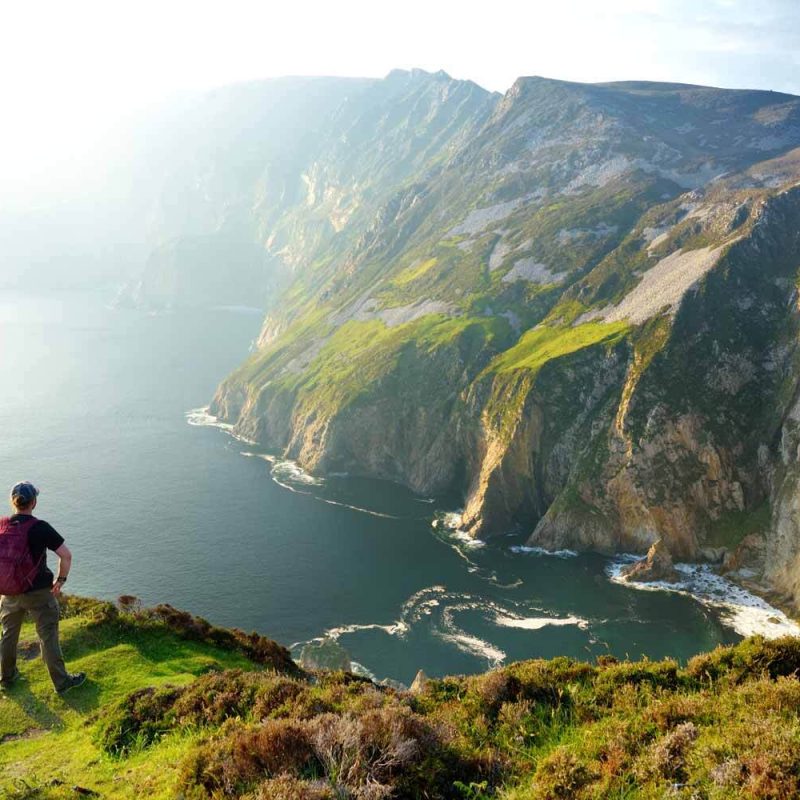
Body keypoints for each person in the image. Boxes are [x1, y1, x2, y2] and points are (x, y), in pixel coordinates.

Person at [0, 481, 86, 693]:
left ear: (13, 502)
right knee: (48, 635)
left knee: (8, 635)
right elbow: (66, 555)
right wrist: (60, 581)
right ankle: (61, 682)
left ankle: (7, 677)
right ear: (34, 502)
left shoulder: (2, 525)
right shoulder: (40, 527)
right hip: (38, 593)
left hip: (9, 592)